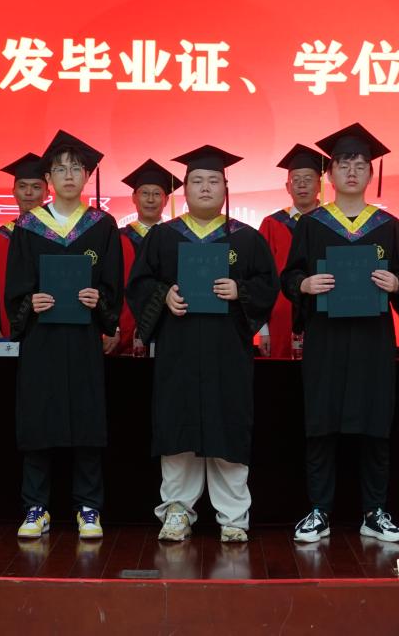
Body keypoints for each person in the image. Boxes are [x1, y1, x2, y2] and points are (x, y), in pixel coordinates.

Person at [127, 145, 279, 542]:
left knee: (227, 428)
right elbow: (140, 284)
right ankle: (177, 511)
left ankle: (234, 518)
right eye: (197, 181)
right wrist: (164, 296)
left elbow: (268, 286)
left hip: (227, 352)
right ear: (185, 189)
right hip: (178, 351)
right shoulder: (163, 236)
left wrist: (240, 290)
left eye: (213, 181)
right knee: (177, 429)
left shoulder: (247, 239)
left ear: (225, 189)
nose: (206, 187)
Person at [281, 123, 399, 544]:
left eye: (361, 165)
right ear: (330, 174)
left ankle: (374, 512)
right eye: (343, 164)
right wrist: (305, 285)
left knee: (375, 424)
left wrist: (396, 284)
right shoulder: (311, 224)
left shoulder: (389, 226)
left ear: (370, 174)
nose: (352, 171)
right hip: (325, 338)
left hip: (372, 340)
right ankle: (319, 511)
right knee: (321, 424)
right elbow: (290, 276)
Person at [6, 130, 122, 541]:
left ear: (87, 176)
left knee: (86, 419)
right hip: (42, 339)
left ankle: (88, 507)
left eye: (76, 168)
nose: (69, 175)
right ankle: (35, 507)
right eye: (60, 168)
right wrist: (29, 302)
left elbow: (112, 286)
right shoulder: (28, 226)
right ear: (49, 178)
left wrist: (99, 300)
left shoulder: (102, 225)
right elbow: (15, 288)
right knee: (39, 419)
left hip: (83, 339)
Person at [257, 144, 325, 358]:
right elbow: (260, 278)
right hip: (280, 319)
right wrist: (263, 330)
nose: (301, 185)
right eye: (296, 180)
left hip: (325, 316)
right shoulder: (272, 224)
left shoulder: (333, 224)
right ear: (287, 187)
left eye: (308, 179)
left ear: (319, 184)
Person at [112, 159, 181, 356]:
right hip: (123, 333)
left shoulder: (178, 239)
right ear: (134, 197)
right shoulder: (118, 238)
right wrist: (113, 326)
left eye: (157, 194)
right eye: (144, 193)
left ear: (166, 200)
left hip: (169, 330)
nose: (150, 199)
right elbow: (110, 286)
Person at [0, 152, 45, 344]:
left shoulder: (59, 237)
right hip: (9, 333)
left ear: (48, 192)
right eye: (22, 186)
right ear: (13, 192)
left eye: (36, 187)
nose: (28, 193)